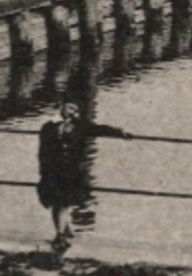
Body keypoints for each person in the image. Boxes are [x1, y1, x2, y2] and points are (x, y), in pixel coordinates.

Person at [37, 100, 132, 249]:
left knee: (65, 201)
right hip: (53, 170)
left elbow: (99, 129)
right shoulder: (48, 127)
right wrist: (44, 171)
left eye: (75, 109)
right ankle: (60, 235)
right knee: (59, 202)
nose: (72, 111)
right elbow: (43, 152)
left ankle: (64, 230)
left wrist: (119, 133)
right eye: (69, 107)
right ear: (61, 108)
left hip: (71, 170)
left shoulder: (80, 126)